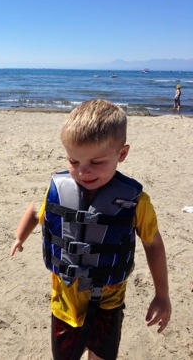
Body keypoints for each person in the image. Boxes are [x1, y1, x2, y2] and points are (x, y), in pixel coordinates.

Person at [9, 99, 170, 360]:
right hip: (64, 304)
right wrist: (19, 236)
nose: (83, 172)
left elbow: (153, 244)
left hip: (108, 303)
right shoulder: (59, 190)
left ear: (122, 154)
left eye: (96, 162)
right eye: (74, 161)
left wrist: (162, 295)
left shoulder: (136, 202)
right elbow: (35, 210)